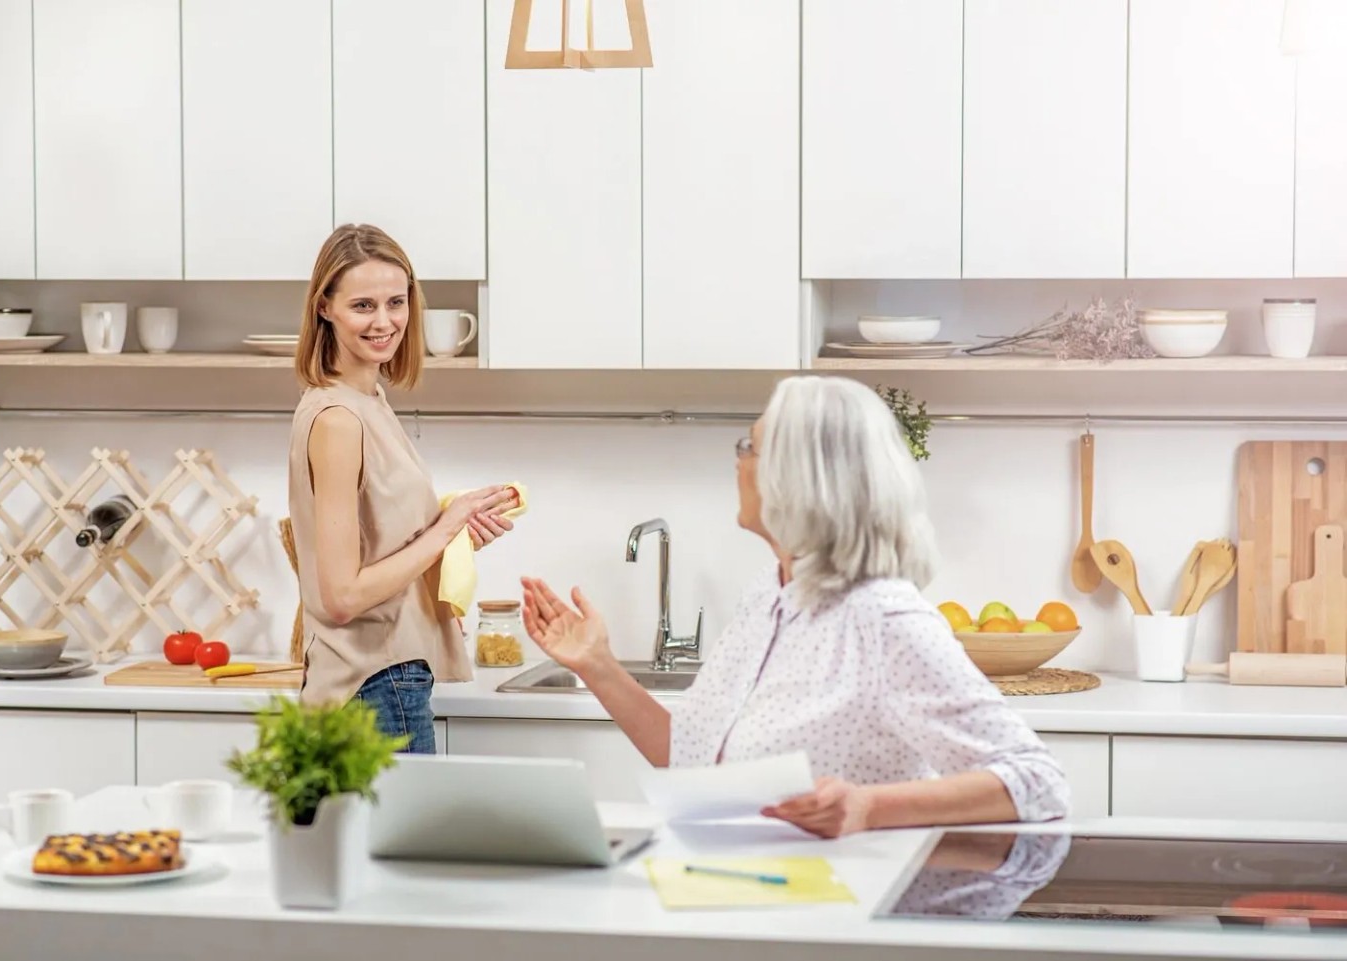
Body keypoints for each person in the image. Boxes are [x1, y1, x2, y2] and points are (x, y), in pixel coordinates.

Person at [521, 375, 1070, 836]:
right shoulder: (769, 596)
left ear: (802, 477)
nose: (738, 463)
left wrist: (868, 808)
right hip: (748, 901)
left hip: (840, 915)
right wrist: (597, 664)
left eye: (750, 447)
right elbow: (689, 761)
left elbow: (1037, 780)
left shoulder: (884, 617)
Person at [288, 224, 516, 751]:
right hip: (373, 687)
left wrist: (452, 531)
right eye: (363, 305)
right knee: (396, 839)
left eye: (397, 301)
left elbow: (383, 547)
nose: (385, 321)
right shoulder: (340, 418)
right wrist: (445, 529)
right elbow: (342, 597)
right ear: (325, 307)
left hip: (386, 680)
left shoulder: (370, 402)